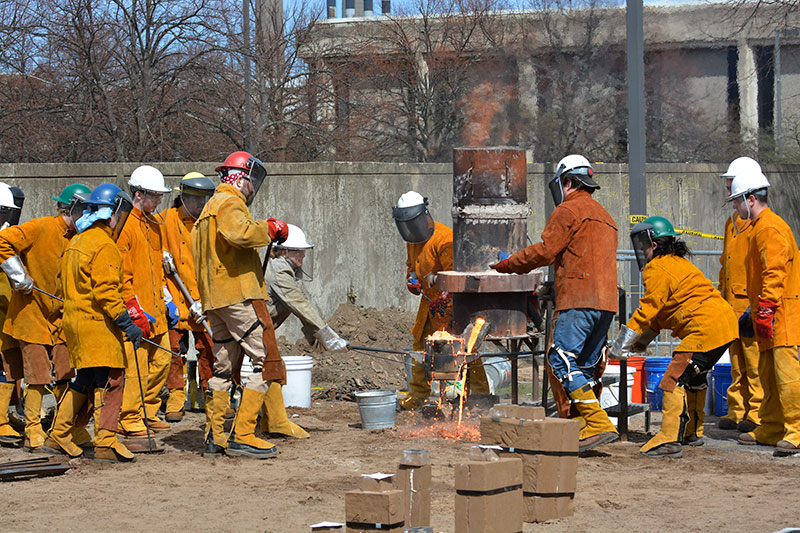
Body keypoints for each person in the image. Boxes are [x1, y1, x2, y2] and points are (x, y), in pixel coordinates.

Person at [491, 155, 618, 452]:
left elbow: (546, 252)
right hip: (606, 303)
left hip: (578, 301)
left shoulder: (568, 210)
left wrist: (510, 263)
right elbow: (583, 259)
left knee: (561, 360)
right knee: (584, 368)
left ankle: (597, 422)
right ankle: (580, 429)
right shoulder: (607, 218)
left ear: (569, 182)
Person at [610, 216, 737, 458]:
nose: (641, 250)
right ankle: (692, 432)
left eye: (642, 244)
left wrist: (620, 345)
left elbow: (649, 308)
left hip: (705, 329)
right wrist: (641, 341)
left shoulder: (657, 268)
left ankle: (668, 440)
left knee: (673, 380)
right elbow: (661, 314)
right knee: (694, 379)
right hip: (725, 326)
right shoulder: (678, 264)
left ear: (653, 244)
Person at [192, 150, 289, 459]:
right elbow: (240, 233)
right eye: (252, 181)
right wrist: (270, 228)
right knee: (266, 360)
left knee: (222, 369)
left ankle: (214, 436)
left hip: (214, 300)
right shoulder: (230, 203)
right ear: (242, 177)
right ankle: (244, 434)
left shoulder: (207, 209)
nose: (252, 187)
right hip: (236, 295)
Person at [43, 184, 141, 462]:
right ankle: (106, 442)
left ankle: (58, 435)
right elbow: (107, 292)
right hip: (96, 324)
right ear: (112, 213)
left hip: (74, 322)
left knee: (85, 379)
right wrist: (127, 323)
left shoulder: (77, 242)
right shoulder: (104, 245)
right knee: (113, 380)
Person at [0, 183, 90, 451]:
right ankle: (33, 430)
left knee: (65, 372)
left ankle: (62, 426)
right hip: (31, 317)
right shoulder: (40, 228)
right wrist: (17, 274)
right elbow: (3, 241)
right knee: (37, 375)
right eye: (84, 210)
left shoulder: (78, 238)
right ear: (72, 207)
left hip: (61, 318)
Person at [392, 190, 489, 411]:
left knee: (462, 351)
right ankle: (418, 393)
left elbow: (454, 278)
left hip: (450, 305)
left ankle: (480, 395)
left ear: (425, 215)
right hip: (429, 305)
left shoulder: (445, 239)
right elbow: (411, 266)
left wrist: (444, 298)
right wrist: (412, 280)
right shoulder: (412, 239)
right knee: (420, 347)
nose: (410, 229)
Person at [727, 166, 800, 456]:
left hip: (781, 314)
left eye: (736, 201)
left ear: (751, 199)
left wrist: (767, 308)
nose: (735, 206)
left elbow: (774, 272)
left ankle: (795, 429)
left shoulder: (769, 229)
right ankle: (771, 425)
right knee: (767, 373)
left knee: (786, 375)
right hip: (768, 313)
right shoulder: (759, 228)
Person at [263, 223, 348, 437]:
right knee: (271, 370)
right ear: (284, 251)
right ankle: (271, 423)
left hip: (262, 330)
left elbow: (300, 306)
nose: (303, 255)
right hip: (254, 330)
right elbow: (299, 304)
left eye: (303, 251)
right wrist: (329, 337)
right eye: (298, 251)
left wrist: (316, 338)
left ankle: (267, 422)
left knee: (269, 371)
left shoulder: (285, 270)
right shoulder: (279, 272)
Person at [116, 165, 178, 438]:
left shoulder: (154, 225)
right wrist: (132, 308)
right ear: (139, 194)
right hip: (137, 311)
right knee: (137, 367)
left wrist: (168, 300)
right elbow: (122, 274)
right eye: (155, 196)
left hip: (156, 309)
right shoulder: (124, 226)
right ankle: (128, 417)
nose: (159, 201)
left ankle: (147, 411)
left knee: (163, 360)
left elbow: (157, 269)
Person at [160, 172, 216, 423]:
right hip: (174, 296)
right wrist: (165, 295)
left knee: (210, 349)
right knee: (173, 350)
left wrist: (208, 298)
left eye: (205, 199)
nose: (200, 205)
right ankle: (175, 395)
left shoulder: (209, 224)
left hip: (202, 300)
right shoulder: (165, 221)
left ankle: (213, 395)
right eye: (195, 199)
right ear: (182, 196)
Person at [717, 157, 763, 433]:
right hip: (731, 303)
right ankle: (737, 409)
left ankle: (756, 412)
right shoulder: (732, 222)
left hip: (751, 304)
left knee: (754, 362)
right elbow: (726, 263)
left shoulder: (758, 225)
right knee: (736, 361)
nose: (729, 190)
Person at [0, 182, 24, 447]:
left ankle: (4, 415)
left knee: (7, 364)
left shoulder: (7, 236)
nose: (7, 218)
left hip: (5, 312)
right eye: (4, 212)